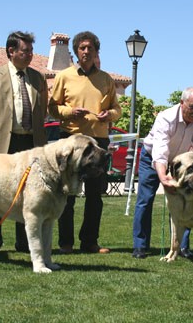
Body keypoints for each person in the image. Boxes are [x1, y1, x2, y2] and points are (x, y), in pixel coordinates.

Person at [0, 31, 48, 256]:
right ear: (11, 51)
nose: (30, 56)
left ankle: (25, 243)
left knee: (30, 193)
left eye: (31, 52)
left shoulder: (38, 78)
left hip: (30, 141)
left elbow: (42, 111)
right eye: (25, 51)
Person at [48, 31, 121, 254]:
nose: (86, 51)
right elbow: (52, 108)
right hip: (70, 142)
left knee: (94, 196)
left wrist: (109, 115)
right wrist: (70, 112)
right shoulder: (64, 76)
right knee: (67, 195)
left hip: (98, 143)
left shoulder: (106, 79)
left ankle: (90, 242)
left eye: (90, 48)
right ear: (76, 51)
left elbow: (117, 110)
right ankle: (66, 244)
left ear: (97, 51)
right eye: (82, 48)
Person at [132, 87, 193, 259]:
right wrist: (163, 178)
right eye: (192, 107)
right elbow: (160, 152)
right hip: (151, 157)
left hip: (181, 164)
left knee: (185, 201)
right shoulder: (166, 118)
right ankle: (140, 246)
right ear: (182, 103)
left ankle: (182, 247)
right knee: (145, 199)